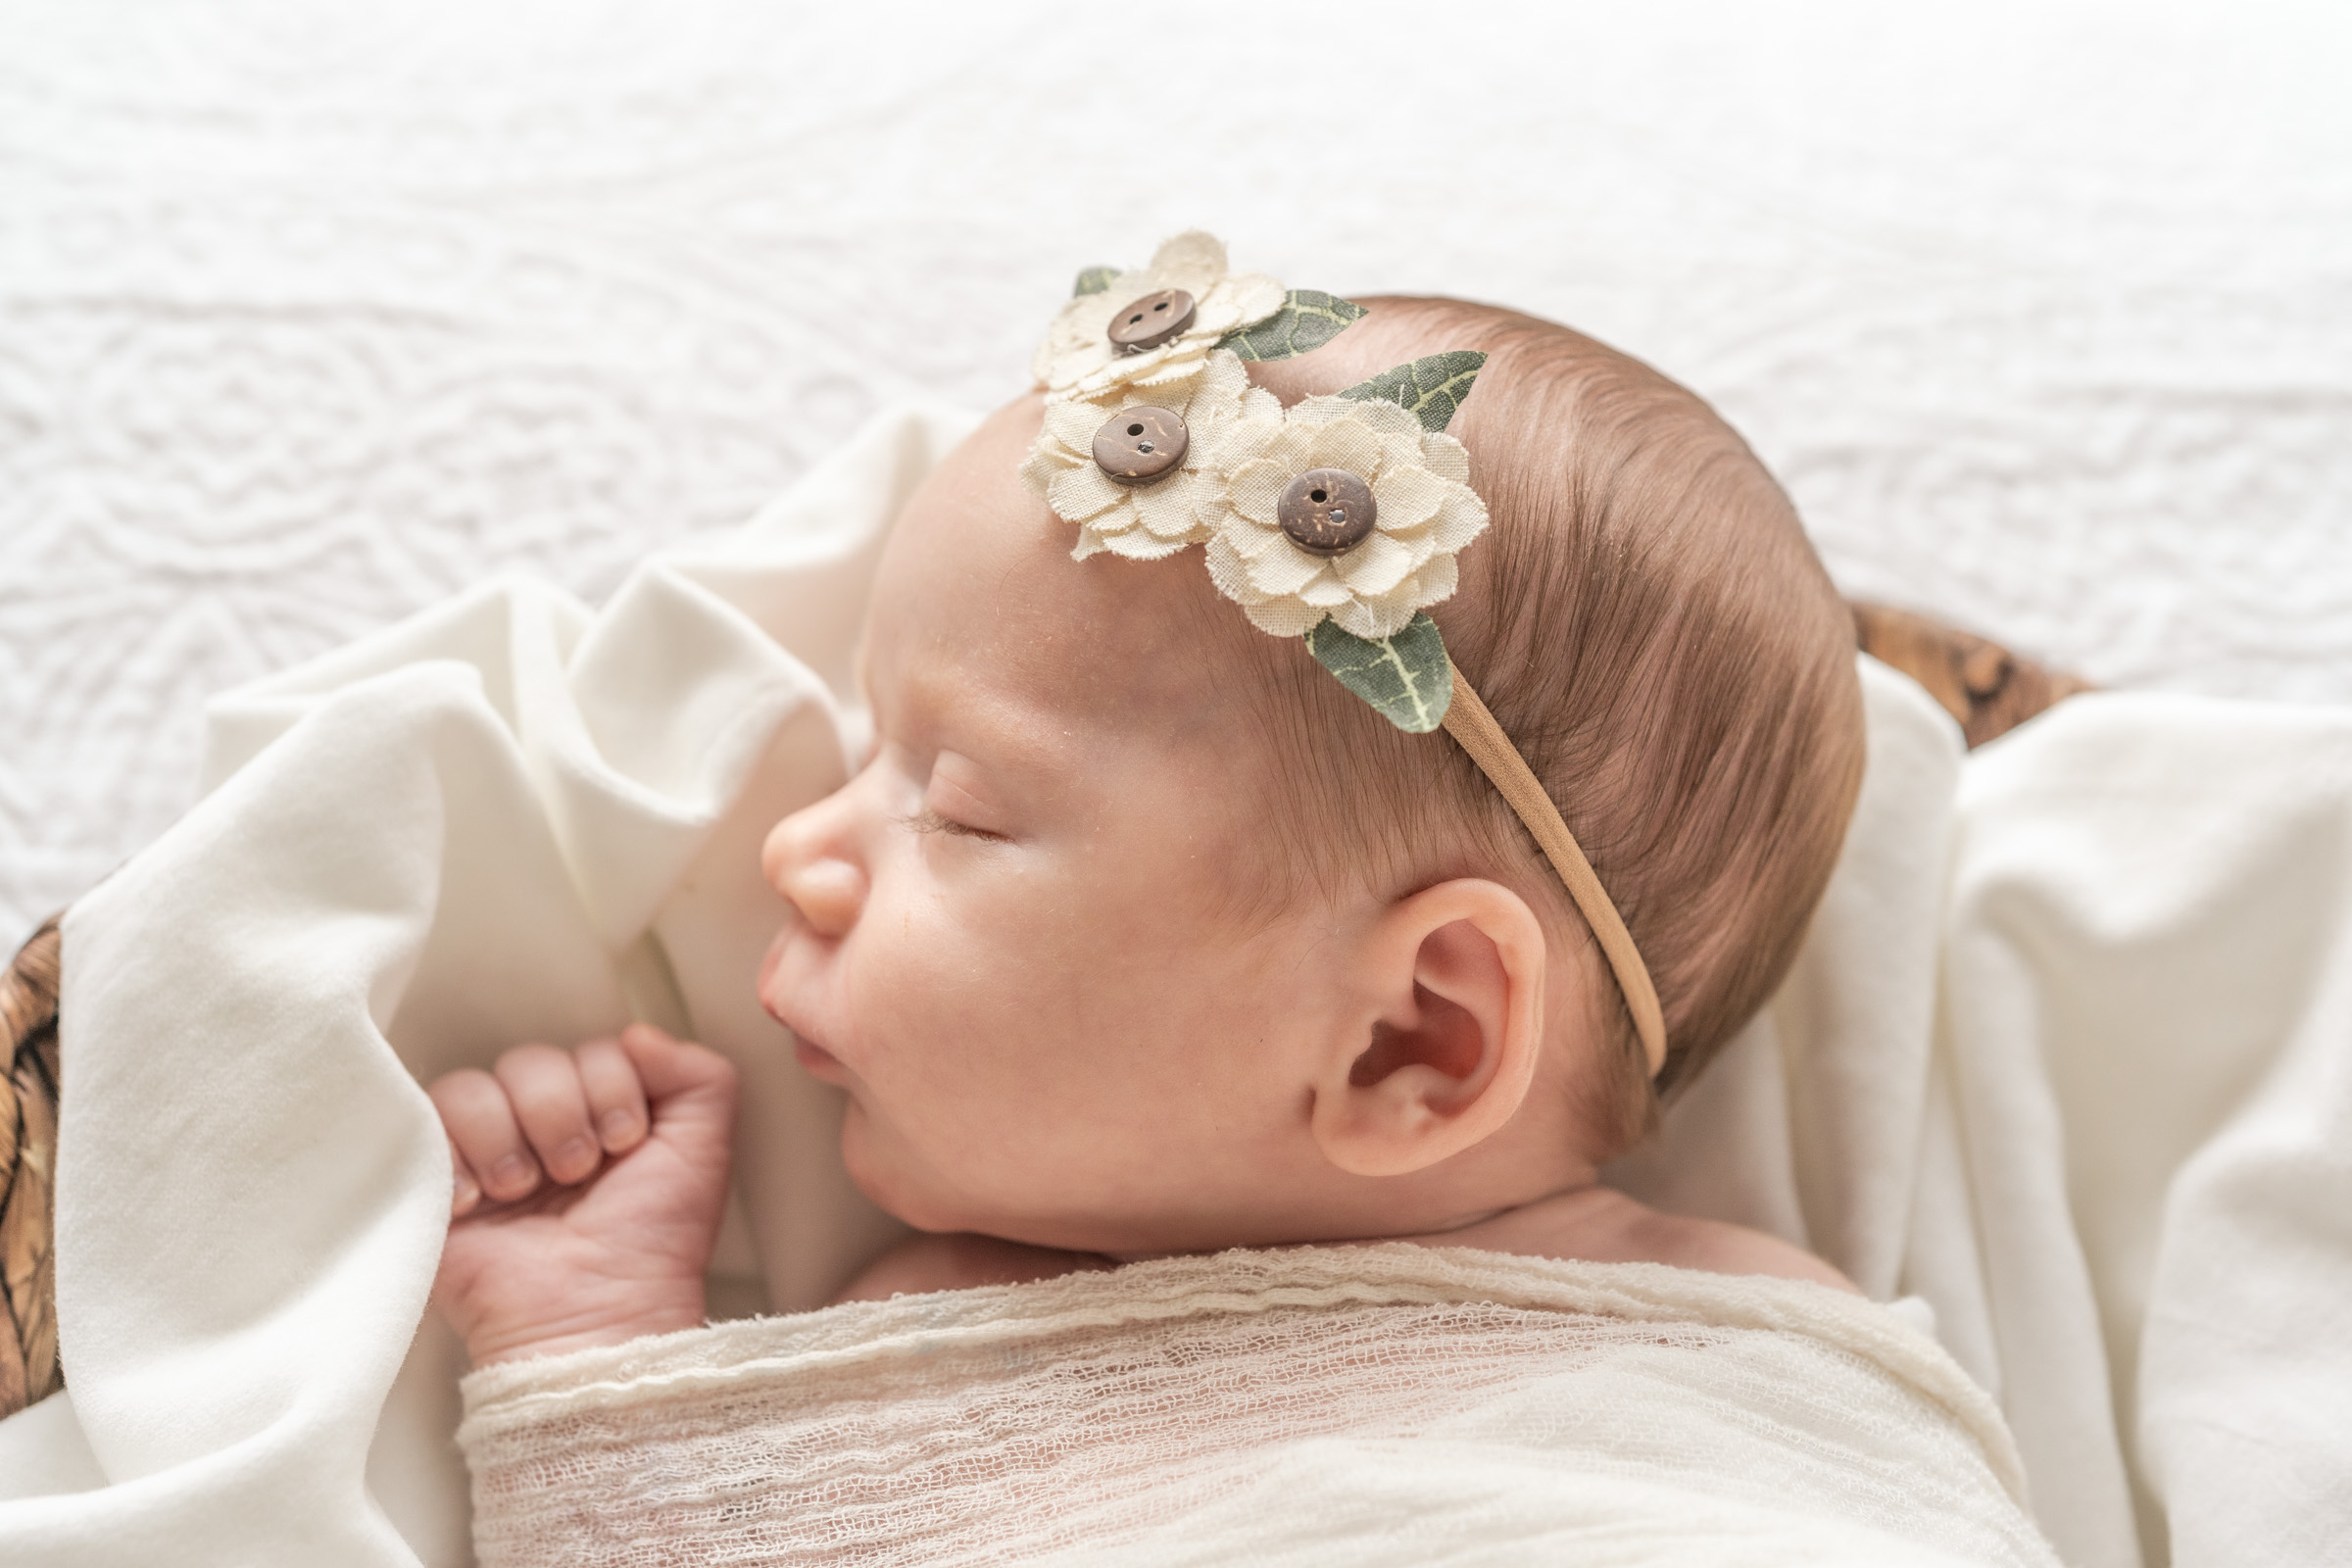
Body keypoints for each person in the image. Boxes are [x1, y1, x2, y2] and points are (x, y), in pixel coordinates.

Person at [424, 238, 1868, 1371]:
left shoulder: (1761, 1351)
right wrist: (589, 1336)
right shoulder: (929, 1348)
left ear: (1410, 1038)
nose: (797, 851)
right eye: (877, 753)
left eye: (964, 812)